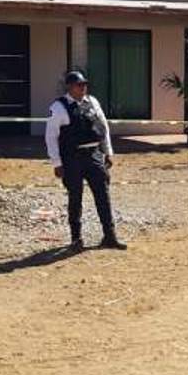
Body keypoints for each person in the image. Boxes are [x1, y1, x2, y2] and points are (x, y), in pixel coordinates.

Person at [44, 71, 126, 251]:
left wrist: (107, 151)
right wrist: (57, 163)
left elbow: (103, 127)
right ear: (69, 87)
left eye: (84, 85)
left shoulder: (92, 102)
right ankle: (76, 239)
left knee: (103, 195)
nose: (83, 88)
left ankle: (109, 236)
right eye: (79, 85)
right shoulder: (59, 107)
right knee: (75, 198)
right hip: (72, 158)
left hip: (94, 155)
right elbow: (51, 137)